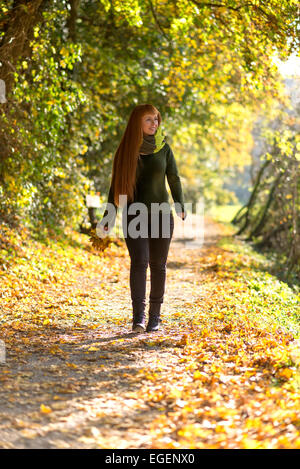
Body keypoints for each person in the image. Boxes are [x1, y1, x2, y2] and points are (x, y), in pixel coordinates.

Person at [99, 104, 186, 333]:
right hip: (133, 216)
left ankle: (154, 318)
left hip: (161, 215)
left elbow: (174, 178)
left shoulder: (164, 149)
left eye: (156, 119)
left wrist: (180, 204)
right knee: (139, 263)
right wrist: (109, 216)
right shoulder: (126, 151)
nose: (154, 123)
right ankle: (138, 318)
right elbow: (115, 186)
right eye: (148, 119)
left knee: (158, 265)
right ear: (137, 122)